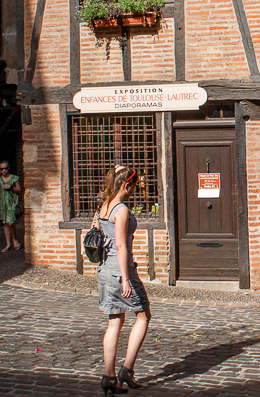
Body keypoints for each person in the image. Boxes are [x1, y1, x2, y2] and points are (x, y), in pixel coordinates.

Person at [95, 165, 151, 395]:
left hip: (105, 270)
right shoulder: (121, 209)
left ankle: (109, 376)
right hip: (120, 270)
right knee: (143, 315)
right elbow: (120, 245)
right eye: (134, 187)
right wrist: (126, 279)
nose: (134, 191)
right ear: (126, 185)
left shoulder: (104, 206)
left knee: (115, 322)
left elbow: (98, 233)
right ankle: (127, 369)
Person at [0, 160, 22, 252]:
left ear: (9, 168)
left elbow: (19, 190)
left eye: (5, 168)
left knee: (11, 221)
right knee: (5, 223)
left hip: (12, 202)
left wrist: (11, 187)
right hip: (3, 204)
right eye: (2, 169)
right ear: (0, 170)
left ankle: (15, 240)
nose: (4, 170)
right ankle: (8, 244)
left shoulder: (14, 178)